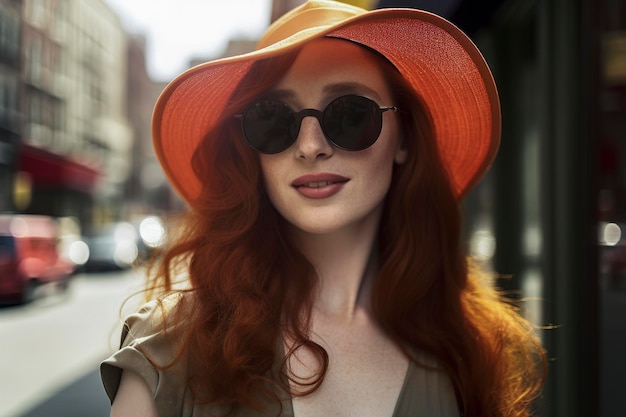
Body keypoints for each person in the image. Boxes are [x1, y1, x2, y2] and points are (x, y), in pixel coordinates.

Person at [100, 1, 546, 416]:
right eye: (274, 120)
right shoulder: (171, 346)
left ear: (405, 138)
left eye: (350, 114)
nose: (310, 147)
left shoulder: (469, 347)